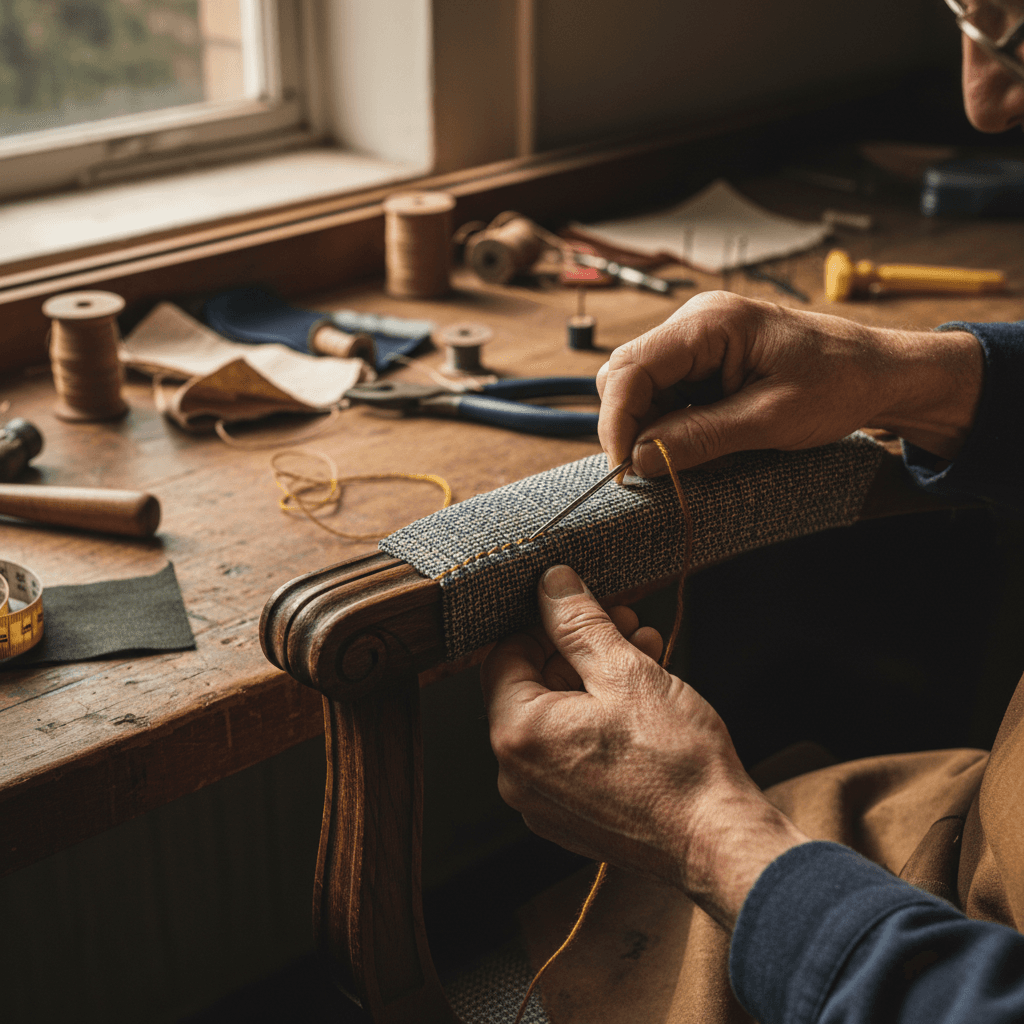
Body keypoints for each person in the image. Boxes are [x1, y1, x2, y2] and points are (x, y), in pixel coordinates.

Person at [480, 3, 1024, 1021]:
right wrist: (917, 379)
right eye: (969, 16)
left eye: (1021, 36)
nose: (983, 102)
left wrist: (704, 834)